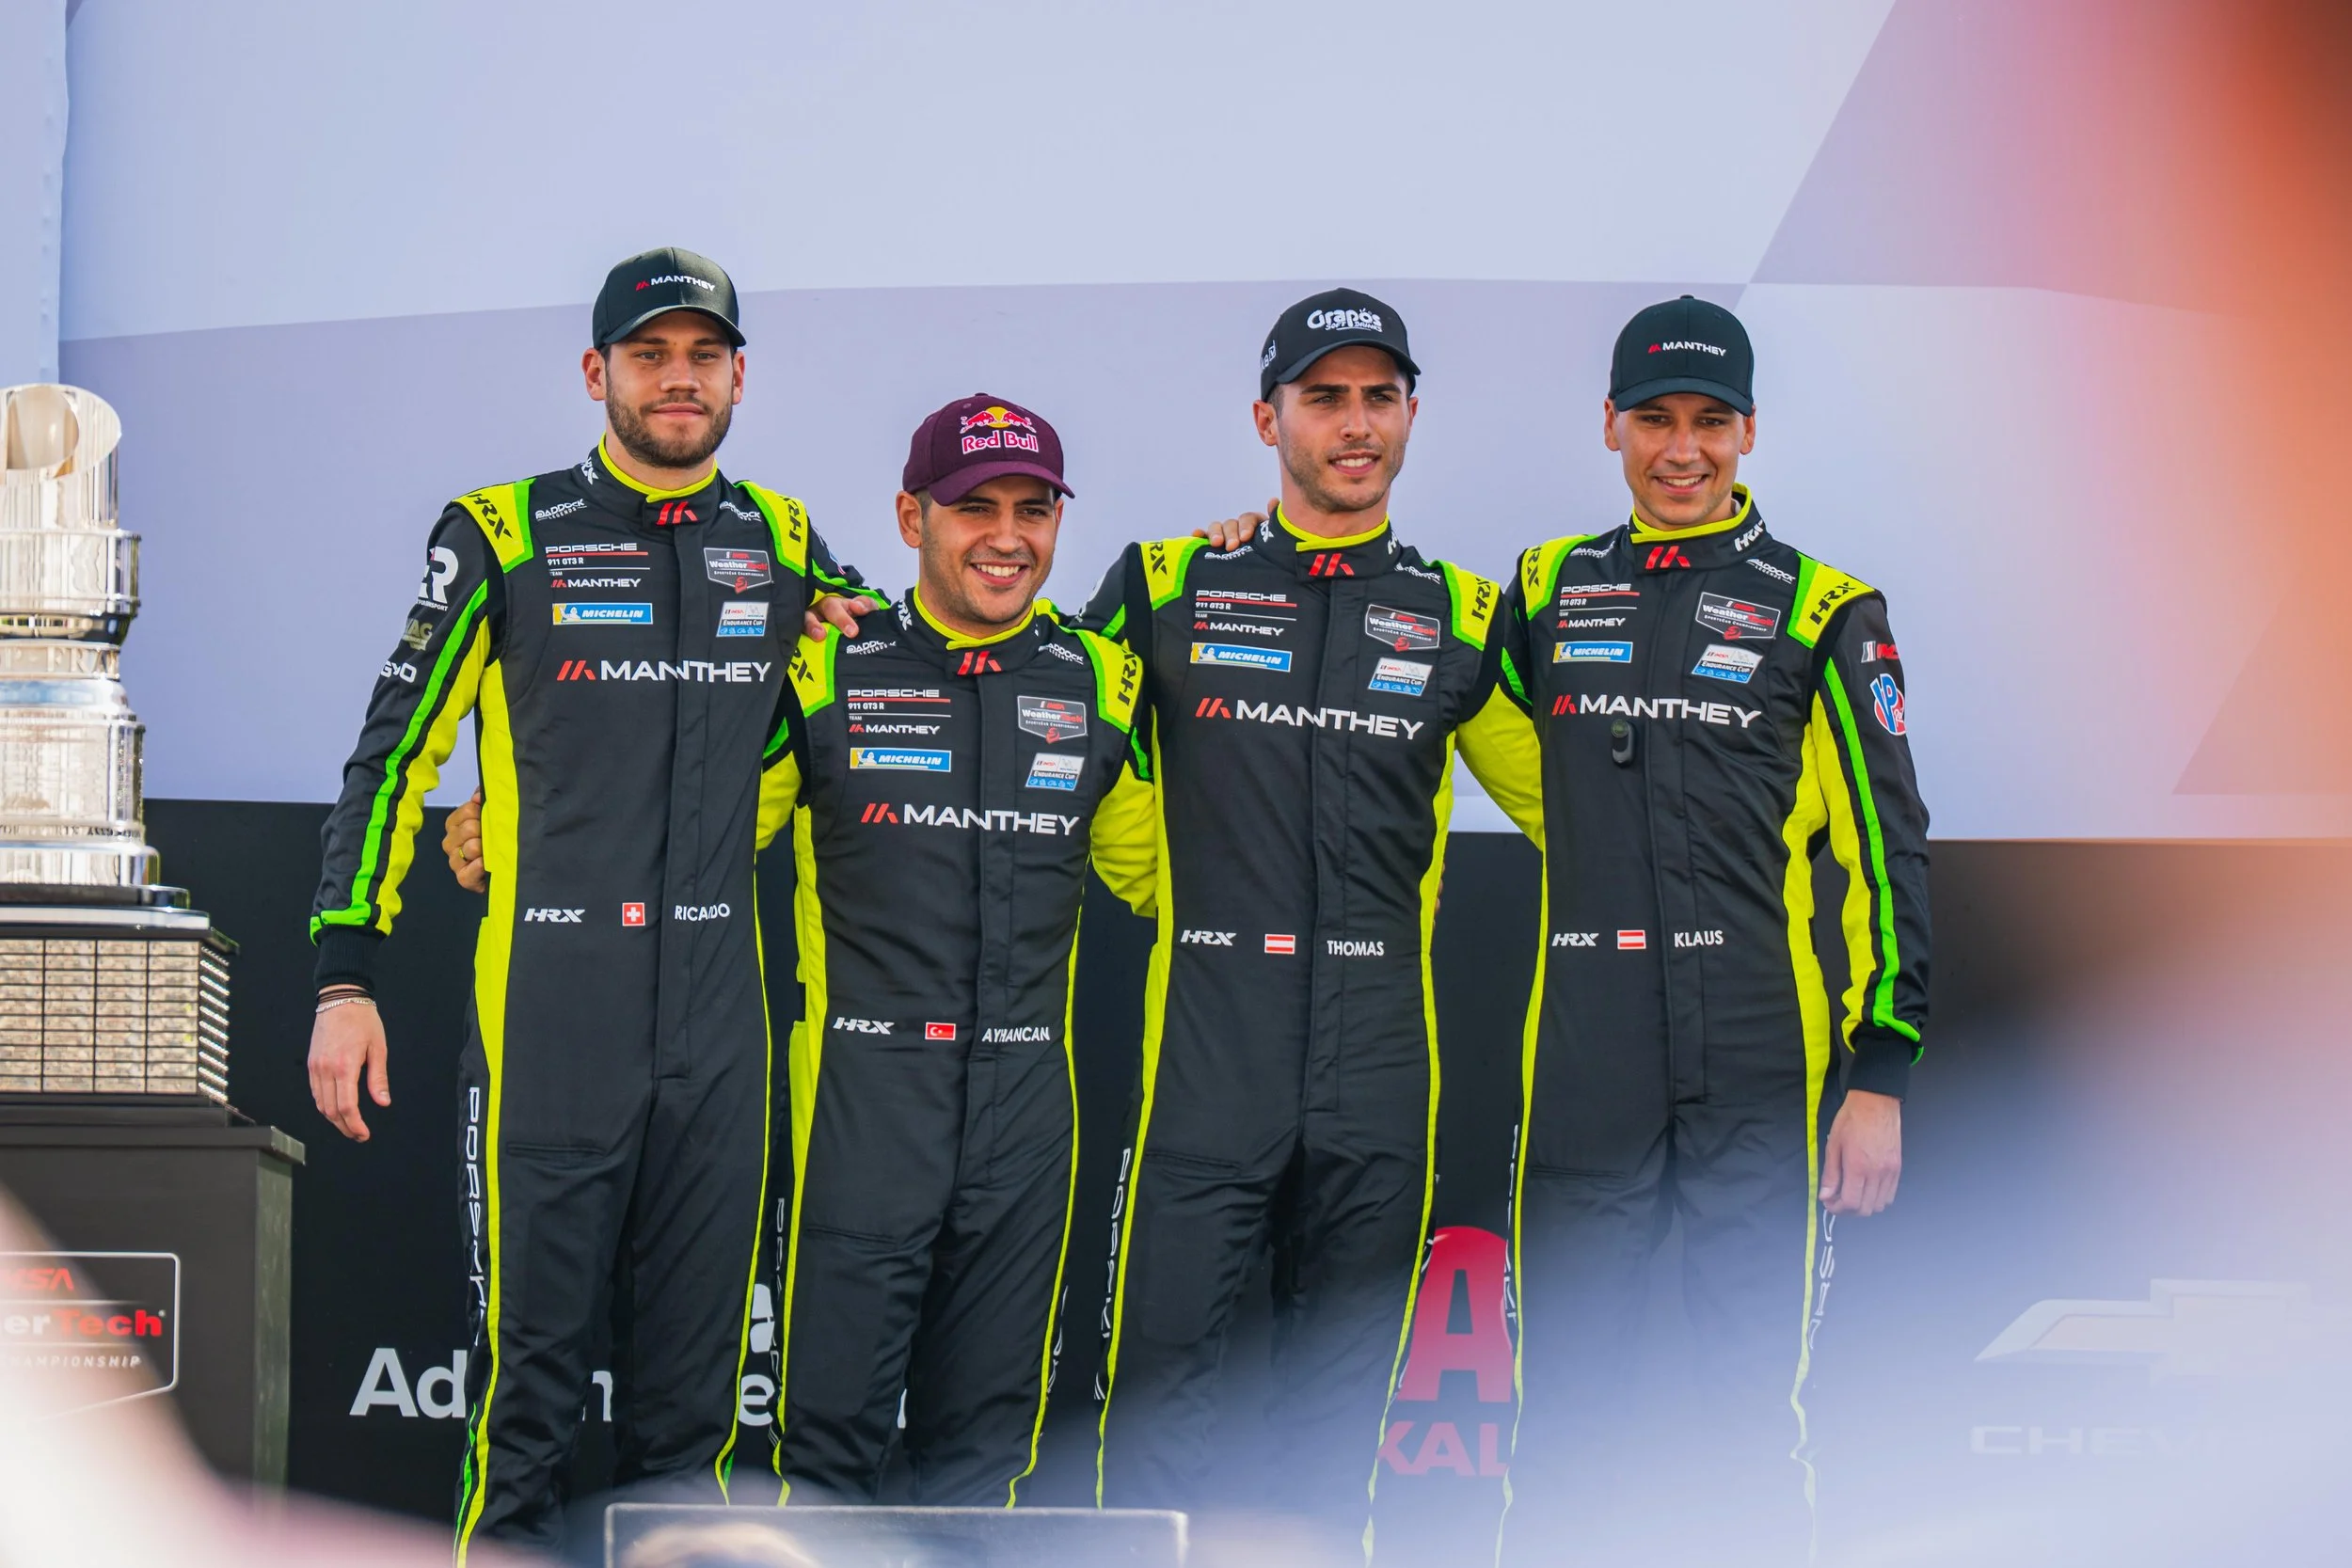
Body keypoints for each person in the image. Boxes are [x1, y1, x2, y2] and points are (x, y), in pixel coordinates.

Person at [446, 393, 1159, 1508]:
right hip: (861, 1103)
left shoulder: (1102, 683)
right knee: (824, 1460)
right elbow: (698, 823)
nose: (1006, 536)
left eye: (1032, 510)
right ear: (911, 517)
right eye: (974, 509)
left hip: (1026, 1108)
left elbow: (1168, 871)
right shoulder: (825, 667)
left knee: (987, 1458)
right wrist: (523, 828)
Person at [306, 246, 872, 1557]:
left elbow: (909, 658)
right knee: (526, 1407)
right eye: (649, 355)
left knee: (693, 1428)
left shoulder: (783, 541)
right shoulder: (502, 532)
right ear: (595, 371)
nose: (679, 379)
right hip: (552, 1022)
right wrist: (345, 974)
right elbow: (392, 754)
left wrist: (1244, 542)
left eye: (704, 356)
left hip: (719, 1035)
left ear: (739, 377)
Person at [1074, 289, 1541, 1548]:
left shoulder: (1465, 613)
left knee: (1340, 1406)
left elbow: (1586, 807)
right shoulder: (1171, 580)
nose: (1354, 423)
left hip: (1377, 1049)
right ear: (1266, 416)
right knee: (1164, 1385)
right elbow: (1046, 736)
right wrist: (1170, 890)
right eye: (1323, 397)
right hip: (1209, 1043)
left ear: (1411, 415)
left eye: (1379, 396)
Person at [1492, 296, 1930, 1565]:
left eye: (1709, 421)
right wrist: (1253, 545)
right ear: (1611, 426)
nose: (1680, 450)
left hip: (1754, 1044)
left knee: (1747, 1412)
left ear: (1748, 432)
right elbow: (1449, 704)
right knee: (1562, 1415)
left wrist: (1882, 1067)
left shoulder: (1828, 609)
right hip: (1587, 1048)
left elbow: (1888, 847)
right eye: (1653, 419)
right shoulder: (1544, 585)